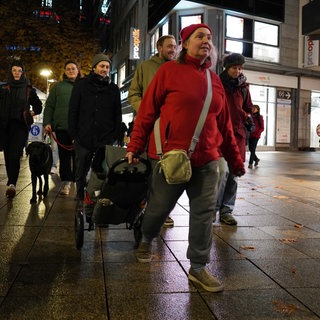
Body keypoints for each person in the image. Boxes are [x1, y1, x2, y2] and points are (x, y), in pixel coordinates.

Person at [126, 24, 245, 292]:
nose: (206, 41)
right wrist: (135, 145)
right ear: (185, 43)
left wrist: (235, 162)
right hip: (171, 157)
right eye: (199, 36)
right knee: (159, 208)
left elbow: (224, 126)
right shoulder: (168, 71)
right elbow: (146, 111)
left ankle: (199, 267)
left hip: (207, 159)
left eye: (209, 38)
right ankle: (146, 237)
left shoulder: (214, 80)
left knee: (204, 213)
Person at [128, 34, 177, 227]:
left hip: (170, 129)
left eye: (175, 47)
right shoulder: (146, 67)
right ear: (159, 47)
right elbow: (134, 94)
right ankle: (147, 208)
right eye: (169, 47)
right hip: (149, 127)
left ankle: (163, 211)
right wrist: (146, 110)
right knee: (149, 171)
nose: (173, 50)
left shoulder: (178, 68)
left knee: (168, 172)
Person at [68, 53, 122, 205]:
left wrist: (114, 135)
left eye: (107, 67)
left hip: (105, 138)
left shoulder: (113, 89)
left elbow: (117, 114)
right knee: (81, 170)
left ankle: (99, 197)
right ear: (94, 67)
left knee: (102, 171)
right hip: (83, 137)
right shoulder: (81, 85)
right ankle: (80, 196)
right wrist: (74, 135)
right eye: (102, 66)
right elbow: (73, 110)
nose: (105, 69)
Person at [215, 53, 253, 226]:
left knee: (233, 175)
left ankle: (226, 211)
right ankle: (213, 209)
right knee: (221, 173)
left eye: (239, 68)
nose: (237, 71)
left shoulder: (244, 87)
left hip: (237, 136)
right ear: (226, 68)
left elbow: (248, 108)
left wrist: (246, 115)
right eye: (234, 68)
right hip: (220, 135)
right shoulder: (217, 84)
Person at [0, 59, 42, 198]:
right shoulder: (5, 87)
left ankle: (12, 184)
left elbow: (38, 106)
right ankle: (11, 181)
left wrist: (32, 112)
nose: (17, 73)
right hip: (5, 126)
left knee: (14, 154)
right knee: (7, 154)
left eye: (19, 71)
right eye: (14, 70)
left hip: (20, 126)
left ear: (23, 72)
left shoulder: (29, 89)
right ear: (11, 72)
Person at [44, 60, 82, 195]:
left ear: (78, 71)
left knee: (79, 157)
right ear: (65, 72)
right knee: (64, 157)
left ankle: (79, 184)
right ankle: (66, 182)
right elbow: (49, 106)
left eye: (73, 68)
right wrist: (47, 123)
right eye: (68, 69)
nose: (71, 71)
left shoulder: (84, 86)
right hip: (61, 127)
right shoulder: (58, 87)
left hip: (80, 128)